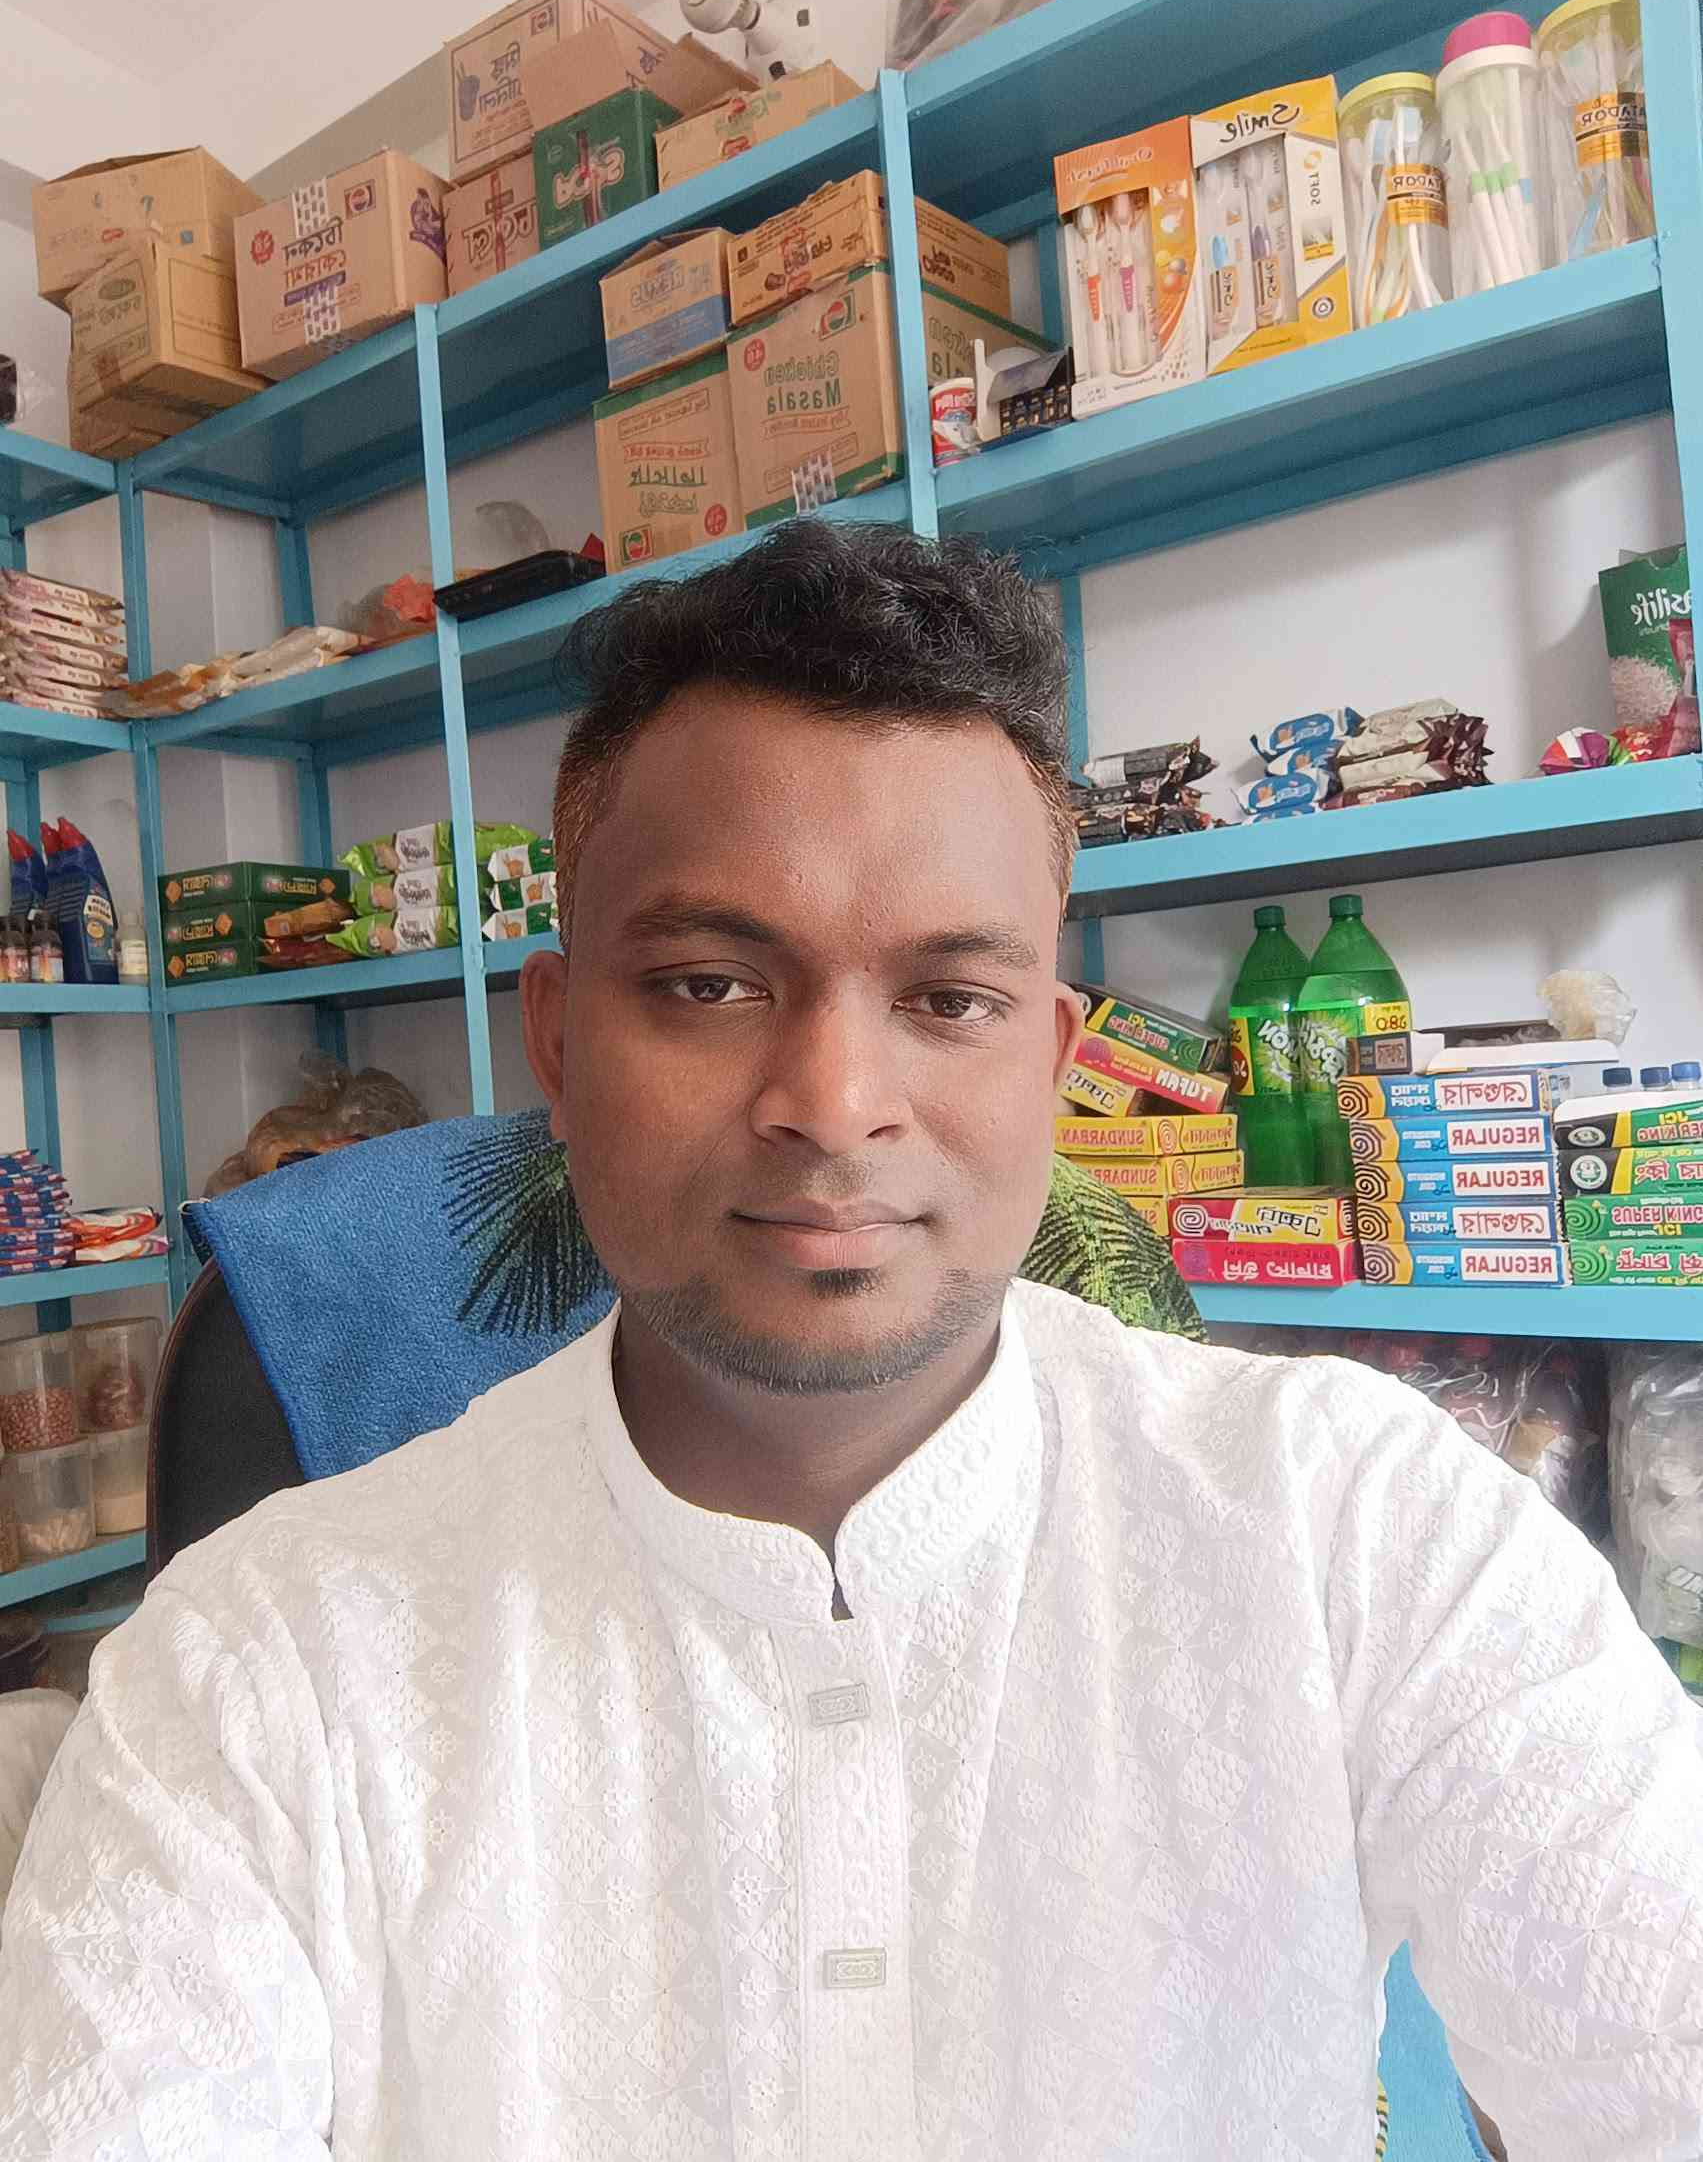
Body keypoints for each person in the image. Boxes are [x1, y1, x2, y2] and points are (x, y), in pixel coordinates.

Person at [2, 522, 1699, 2161]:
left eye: (950, 1000)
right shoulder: (257, 1675)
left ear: (1051, 1063)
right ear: (559, 1045)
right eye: (709, 984)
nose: (832, 1104)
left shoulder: (1366, 1539)